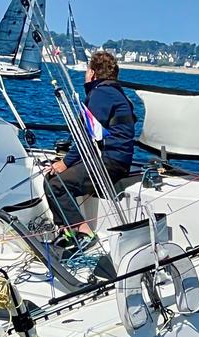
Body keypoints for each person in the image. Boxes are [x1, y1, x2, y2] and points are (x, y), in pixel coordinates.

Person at [45, 50, 136, 248]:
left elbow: (86, 135)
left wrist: (66, 162)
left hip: (111, 163)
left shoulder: (101, 93)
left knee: (56, 184)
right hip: (115, 160)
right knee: (51, 179)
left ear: (92, 73)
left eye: (87, 70)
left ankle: (85, 233)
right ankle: (67, 231)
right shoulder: (114, 92)